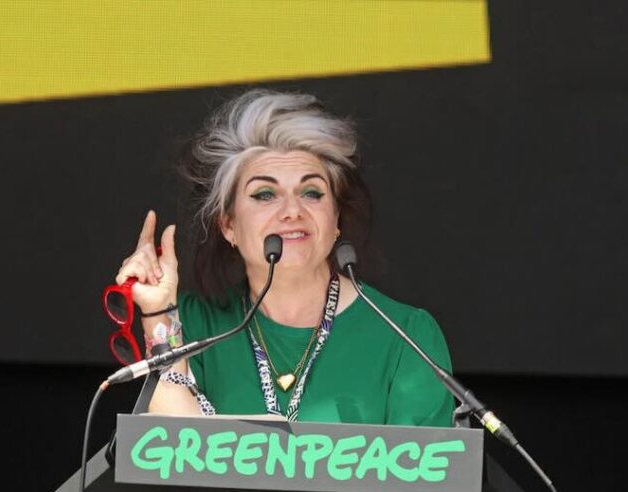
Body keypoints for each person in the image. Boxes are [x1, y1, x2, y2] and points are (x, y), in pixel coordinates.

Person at [114, 89, 454, 426]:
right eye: (265, 194)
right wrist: (157, 312)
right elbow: (177, 451)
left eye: (312, 192)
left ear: (335, 219)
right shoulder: (194, 324)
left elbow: (421, 477)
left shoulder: (407, 334)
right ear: (228, 225)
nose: (292, 211)